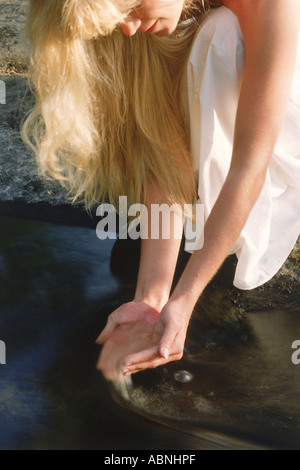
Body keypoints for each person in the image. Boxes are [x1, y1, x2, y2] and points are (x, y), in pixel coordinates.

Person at [22, 0, 300, 380]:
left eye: (130, 11)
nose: (130, 29)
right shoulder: (158, 16)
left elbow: (248, 166)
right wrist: (150, 297)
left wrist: (185, 299)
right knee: (209, 39)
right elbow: (164, 147)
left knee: (219, 37)